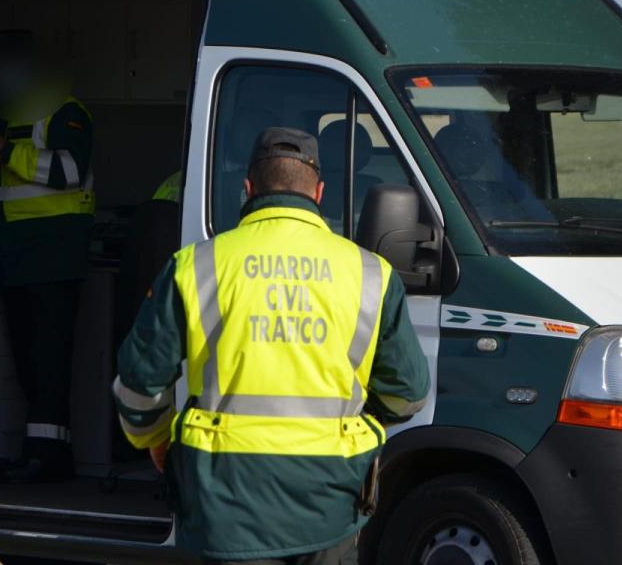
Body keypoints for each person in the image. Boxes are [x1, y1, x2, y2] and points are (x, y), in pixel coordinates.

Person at [113, 127, 429, 563]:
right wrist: (357, 428)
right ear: (318, 193)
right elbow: (407, 394)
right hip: (330, 508)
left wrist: (155, 439)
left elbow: (139, 383)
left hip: (223, 507)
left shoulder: (195, 266)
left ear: (247, 188)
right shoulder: (370, 274)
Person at [0, 30, 95, 481]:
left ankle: (50, 459)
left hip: (53, 256)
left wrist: (7, 151)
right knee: (28, 362)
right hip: (13, 257)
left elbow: (69, 171)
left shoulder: (66, 111)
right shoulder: (0, 115)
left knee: (50, 360)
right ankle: (37, 452)